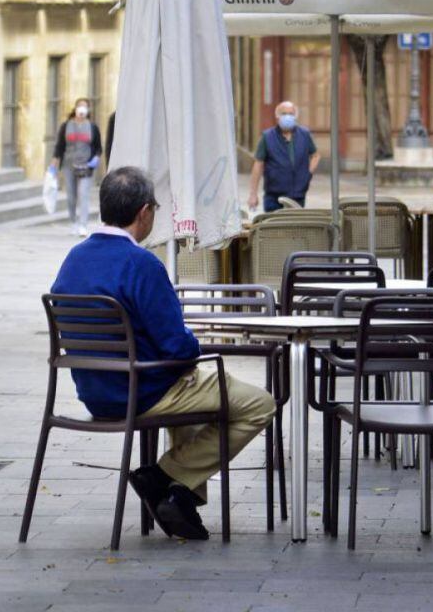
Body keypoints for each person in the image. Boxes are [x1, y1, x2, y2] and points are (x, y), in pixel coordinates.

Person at [50, 167, 275, 540]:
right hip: (145, 390)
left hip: (96, 391)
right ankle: (165, 476)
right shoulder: (143, 264)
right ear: (144, 213)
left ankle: (179, 500)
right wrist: (190, 343)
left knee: (189, 395)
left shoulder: (73, 259)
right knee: (258, 404)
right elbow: (178, 347)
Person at [248, 101, 320, 212]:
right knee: (273, 227)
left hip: (298, 195)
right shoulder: (267, 137)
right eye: (284, 113)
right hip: (273, 196)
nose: (288, 116)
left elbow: (315, 155)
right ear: (277, 117)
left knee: (296, 228)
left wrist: (308, 173)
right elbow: (258, 164)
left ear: (295, 117)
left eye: (291, 114)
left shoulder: (304, 135)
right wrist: (253, 194)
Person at [50, 98, 102, 237]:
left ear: (88, 110)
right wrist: (53, 166)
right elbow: (59, 147)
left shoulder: (92, 127)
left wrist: (96, 158)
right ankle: (73, 222)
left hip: (86, 166)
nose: (82, 109)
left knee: (83, 194)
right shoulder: (66, 126)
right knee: (71, 196)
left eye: (85, 107)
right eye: (80, 106)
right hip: (68, 165)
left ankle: (83, 225)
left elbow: (98, 147)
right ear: (75, 108)